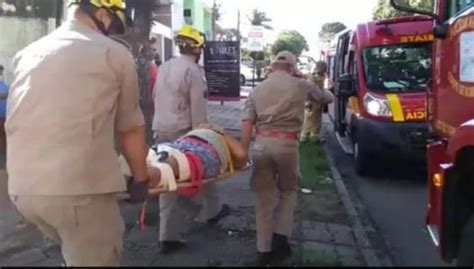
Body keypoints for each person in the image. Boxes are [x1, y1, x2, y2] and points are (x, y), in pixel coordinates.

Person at [5, 0, 149, 266]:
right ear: (102, 14)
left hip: (23, 191)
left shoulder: (27, 53)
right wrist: (140, 179)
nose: (112, 33)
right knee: (99, 252)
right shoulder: (114, 54)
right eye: (113, 26)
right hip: (77, 193)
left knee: (76, 249)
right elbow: (130, 128)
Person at [241, 51, 334, 266]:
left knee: (263, 196)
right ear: (292, 68)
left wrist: (242, 151)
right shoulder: (300, 85)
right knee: (288, 191)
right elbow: (326, 97)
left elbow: (247, 120)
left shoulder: (256, 89)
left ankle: (263, 250)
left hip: (262, 144)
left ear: (272, 67)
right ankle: (281, 241)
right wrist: (304, 79)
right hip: (287, 145)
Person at [152, 24, 230, 254]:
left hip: (160, 130)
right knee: (192, 176)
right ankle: (174, 233)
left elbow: (156, 97)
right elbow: (198, 109)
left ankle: (211, 211)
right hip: (183, 132)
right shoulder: (194, 72)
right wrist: (202, 137)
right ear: (197, 49)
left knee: (167, 179)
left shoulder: (165, 66)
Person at [300, 61, 328, 143]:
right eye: (324, 68)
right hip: (311, 101)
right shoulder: (313, 76)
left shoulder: (322, 75)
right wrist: (307, 101)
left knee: (317, 119)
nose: (325, 70)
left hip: (318, 100)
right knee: (309, 118)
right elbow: (308, 89)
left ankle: (314, 137)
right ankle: (304, 137)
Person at [0, 65, 7, 152]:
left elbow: (9, 95)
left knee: (3, 135)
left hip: (3, 115)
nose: (1, 73)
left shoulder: (3, 84)